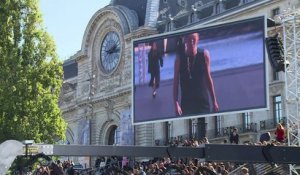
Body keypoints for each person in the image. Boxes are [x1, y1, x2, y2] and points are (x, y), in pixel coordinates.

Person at [173, 33, 219, 116]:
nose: (191, 41)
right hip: (187, 103)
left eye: (194, 38)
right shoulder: (179, 58)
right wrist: (176, 103)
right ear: (185, 40)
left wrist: (214, 101)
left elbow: (208, 78)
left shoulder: (204, 55)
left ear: (198, 39)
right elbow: (176, 82)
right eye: (189, 38)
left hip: (202, 101)